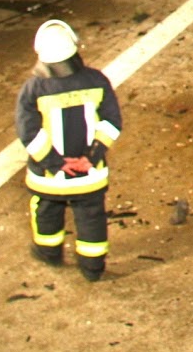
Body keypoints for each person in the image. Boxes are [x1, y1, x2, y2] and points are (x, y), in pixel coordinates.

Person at [16, 19, 122, 282]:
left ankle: (48, 253)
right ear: (75, 46)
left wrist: (55, 164)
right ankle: (93, 268)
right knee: (91, 218)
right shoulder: (97, 80)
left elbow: (28, 132)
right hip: (89, 176)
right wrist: (90, 158)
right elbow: (111, 123)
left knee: (46, 213)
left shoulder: (33, 88)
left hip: (48, 178)